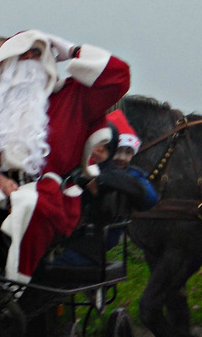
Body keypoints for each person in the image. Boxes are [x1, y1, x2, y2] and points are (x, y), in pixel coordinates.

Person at [0, 30, 130, 282]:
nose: (29, 59)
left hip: (52, 194)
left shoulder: (72, 98)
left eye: (37, 52)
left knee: (31, 205)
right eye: (22, 54)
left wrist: (72, 51)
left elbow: (119, 76)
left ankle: (11, 284)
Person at [48, 107, 158, 267]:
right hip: (68, 236)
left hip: (91, 244)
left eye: (128, 152)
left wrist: (102, 179)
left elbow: (149, 198)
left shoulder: (130, 176)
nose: (122, 157)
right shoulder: (85, 167)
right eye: (117, 151)